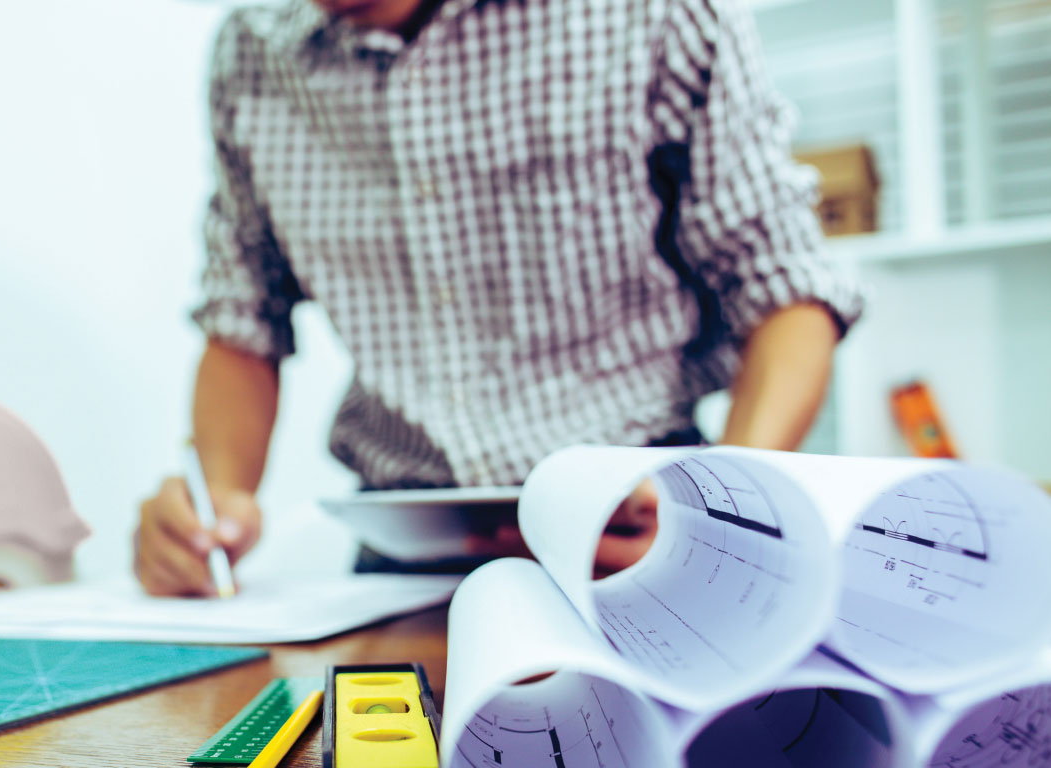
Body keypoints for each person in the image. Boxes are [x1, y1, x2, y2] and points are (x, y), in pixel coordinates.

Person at [136, 0, 862, 596]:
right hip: (403, 565)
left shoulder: (654, 14)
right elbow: (243, 317)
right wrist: (214, 509)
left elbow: (785, 290)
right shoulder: (250, 51)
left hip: (640, 536)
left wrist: (712, 519)